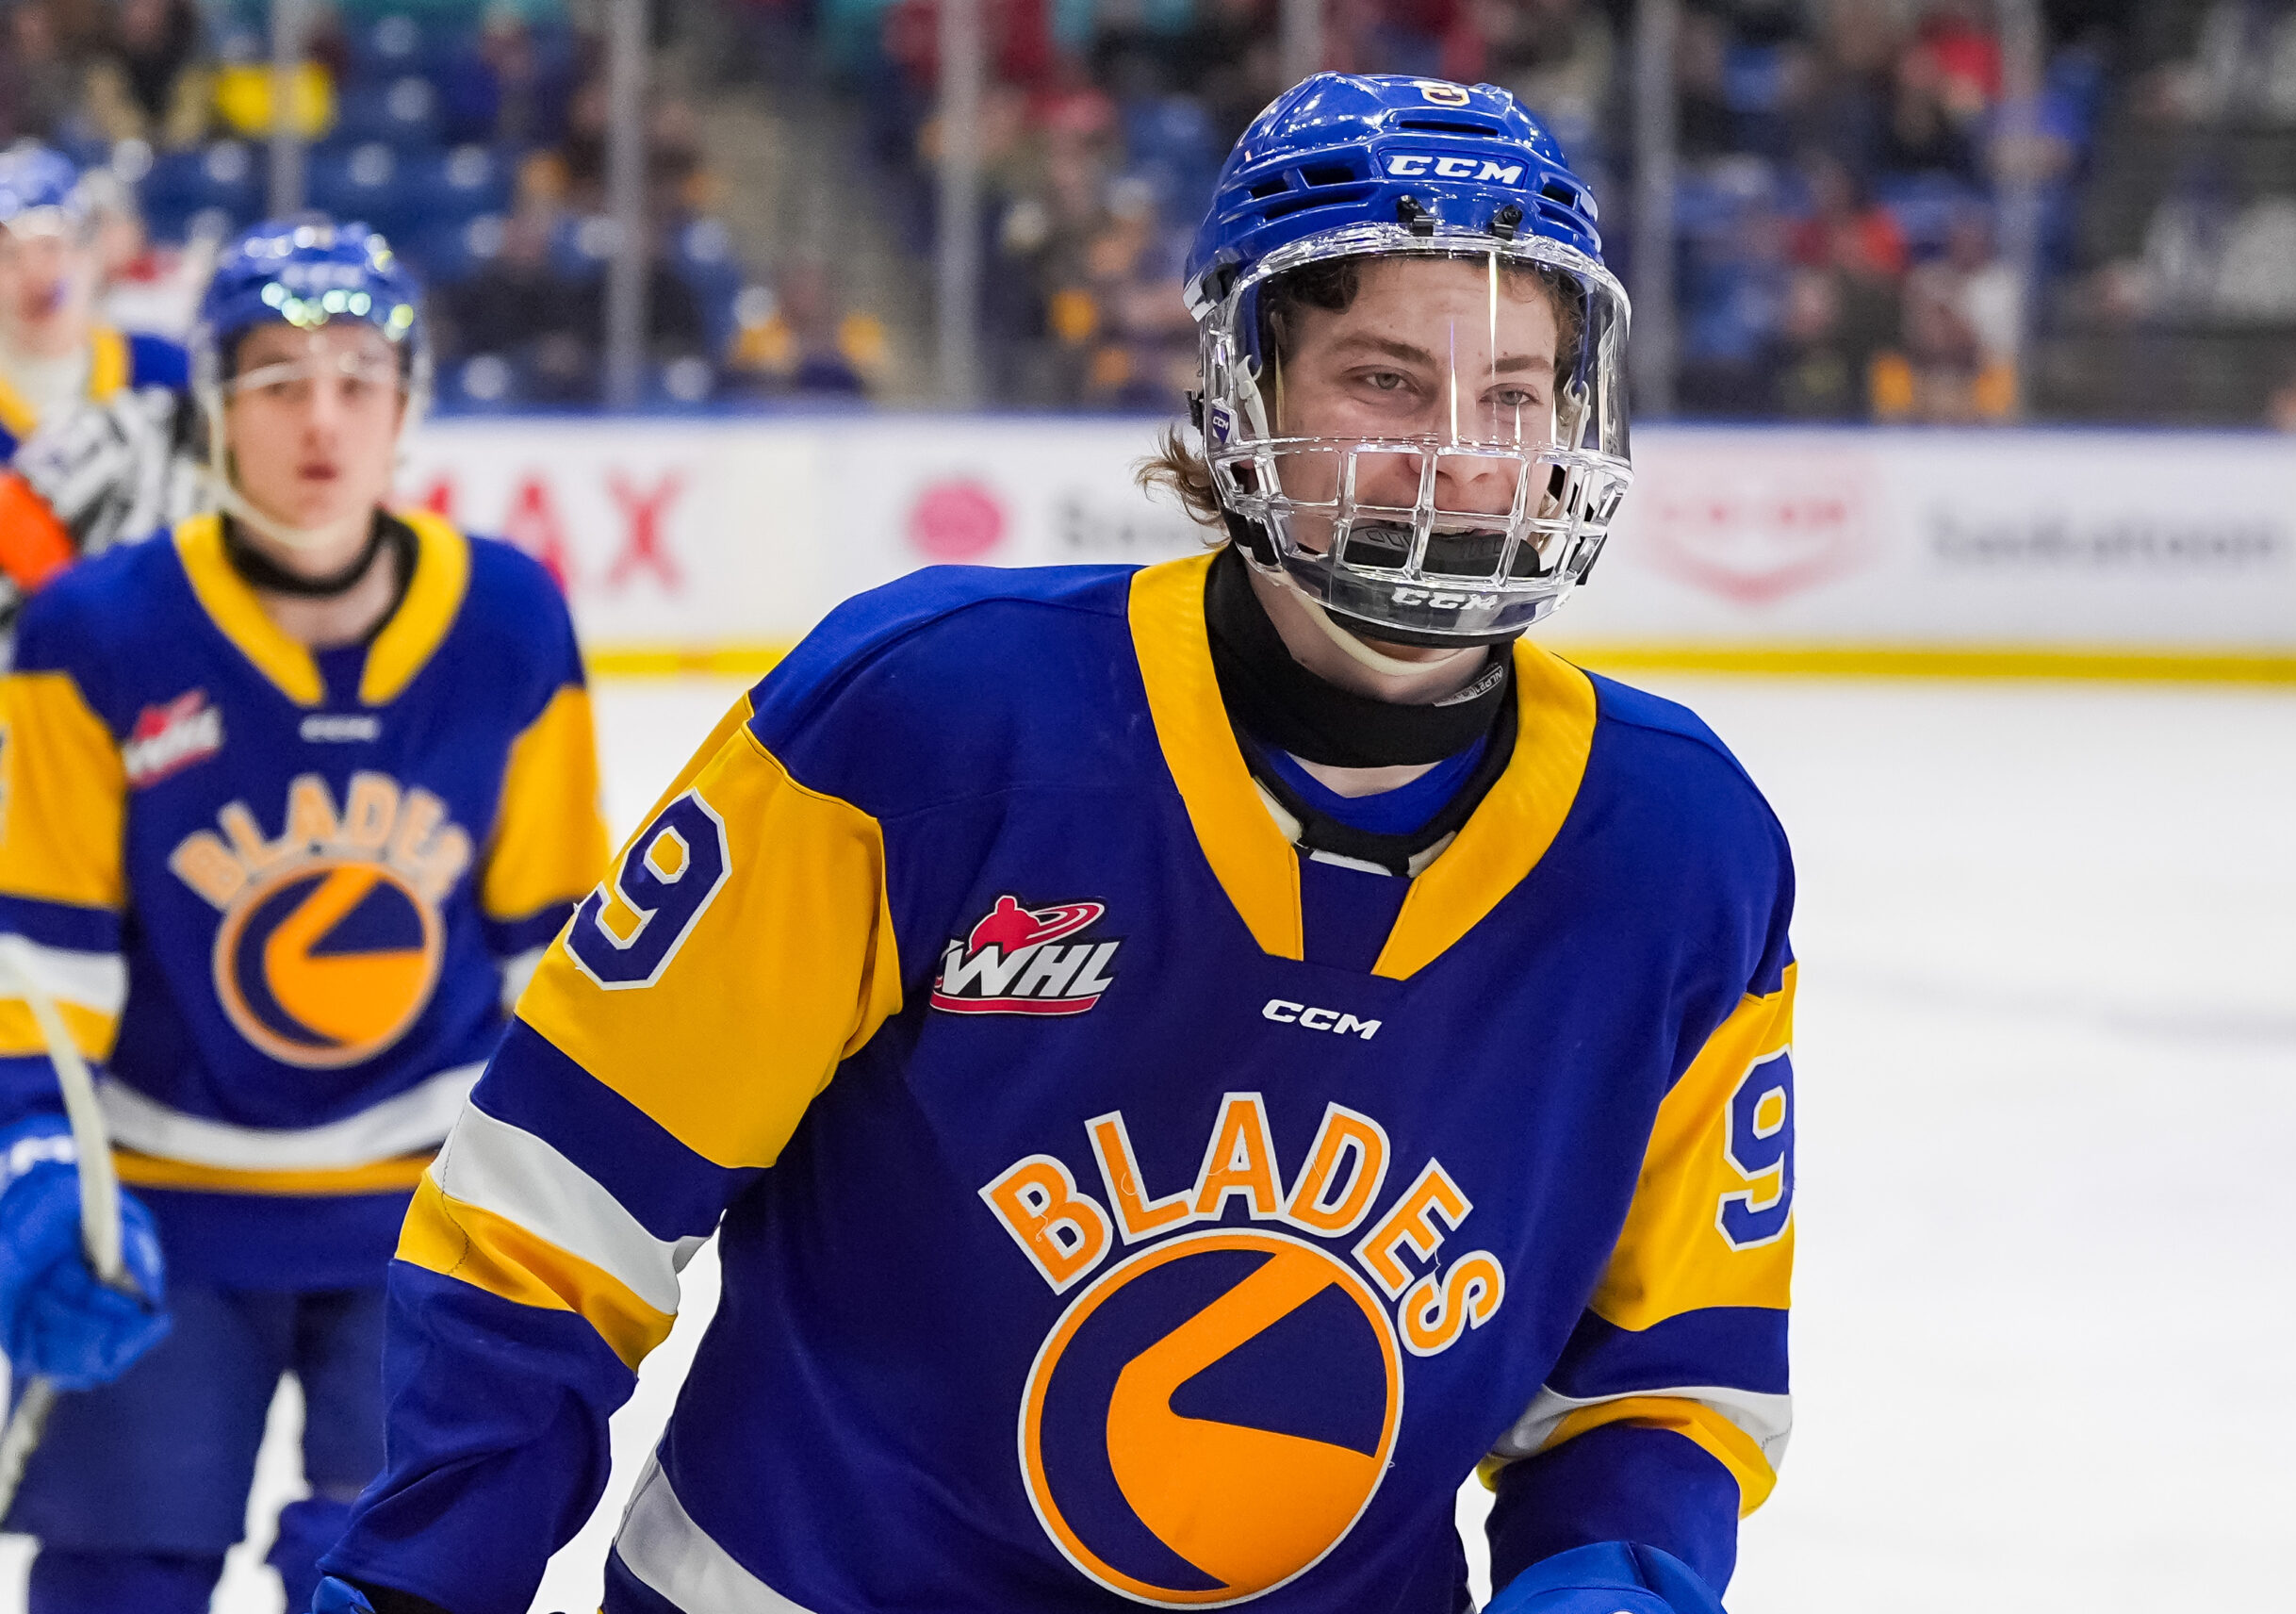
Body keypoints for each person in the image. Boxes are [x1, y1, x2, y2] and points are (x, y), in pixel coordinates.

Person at [325, 74, 1796, 1614]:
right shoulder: (927, 721)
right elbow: (562, 1203)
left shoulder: (1675, 854)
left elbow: (1662, 1378)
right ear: (1242, 391)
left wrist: (1609, 1588)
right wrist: (426, 1581)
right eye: (1384, 380)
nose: (1462, 458)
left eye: (1513, 392)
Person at [0, 218, 610, 1613]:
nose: (321, 419)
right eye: (277, 380)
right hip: (157, 1203)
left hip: (425, 1204)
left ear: (409, 404)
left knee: (389, 1579)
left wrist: (581, 1197)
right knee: (119, 1583)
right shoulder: (95, 630)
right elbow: (44, 950)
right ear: (214, 407)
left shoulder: (510, 619)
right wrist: (32, 1157)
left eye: (357, 379)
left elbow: (561, 950)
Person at [0, 142, 197, 649]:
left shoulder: (166, 371)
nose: (35, 273)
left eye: (51, 247)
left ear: (88, 252)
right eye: (8, 254)